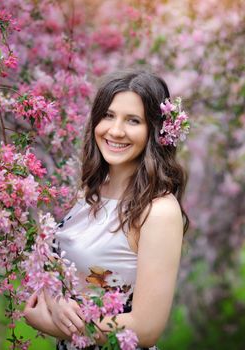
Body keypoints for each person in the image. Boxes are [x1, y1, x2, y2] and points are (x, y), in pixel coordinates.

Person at [23, 70, 189, 349]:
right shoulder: (90, 193)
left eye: (133, 120)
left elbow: (146, 328)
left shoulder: (158, 210)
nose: (115, 130)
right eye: (108, 116)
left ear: (155, 131)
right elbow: (60, 271)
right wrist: (56, 302)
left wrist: (52, 323)